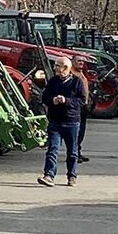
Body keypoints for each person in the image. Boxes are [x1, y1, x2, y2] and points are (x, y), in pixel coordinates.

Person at [37, 55, 88, 187]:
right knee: (52, 149)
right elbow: (44, 98)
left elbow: (81, 100)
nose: (55, 68)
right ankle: (49, 175)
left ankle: (72, 176)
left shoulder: (77, 82)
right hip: (55, 122)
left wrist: (66, 101)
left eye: (57, 66)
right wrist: (52, 100)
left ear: (65, 68)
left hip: (72, 122)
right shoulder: (53, 81)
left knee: (72, 152)